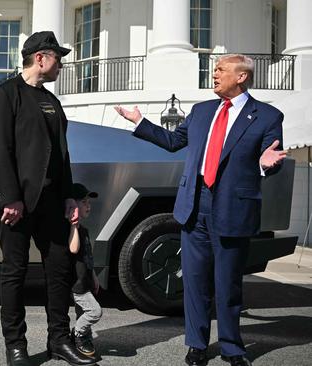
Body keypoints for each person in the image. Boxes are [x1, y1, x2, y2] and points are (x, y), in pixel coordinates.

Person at [115, 54, 287, 366]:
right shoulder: (201, 111)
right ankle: (196, 345)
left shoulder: (267, 116)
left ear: (242, 77)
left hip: (233, 210)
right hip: (194, 207)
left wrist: (265, 165)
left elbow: (270, 157)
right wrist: (139, 122)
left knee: (228, 285)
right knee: (194, 283)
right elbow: (172, 141)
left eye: (221, 69)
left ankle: (233, 347)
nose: (215, 73)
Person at [0, 31, 97, 366]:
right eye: (57, 58)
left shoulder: (52, 101)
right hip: (16, 205)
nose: (61, 64)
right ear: (41, 58)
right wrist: (12, 198)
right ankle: (15, 347)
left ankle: (59, 340)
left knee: (59, 270)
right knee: (14, 273)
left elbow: (62, 155)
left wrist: (68, 197)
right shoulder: (7, 95)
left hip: (51, 202)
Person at [67, 183, 103, 358]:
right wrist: (73, 225)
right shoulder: (71, 230)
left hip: (86, 280)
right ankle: (78, 333)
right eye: (84, 202)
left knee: (83, 312)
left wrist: (94, 277)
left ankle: (84, 336)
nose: (88, 205)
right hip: (78, 284)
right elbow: (73, 250)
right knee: (95, 312)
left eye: (89, 202)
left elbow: (88, 257)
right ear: (72, 204)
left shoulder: (86, 230)